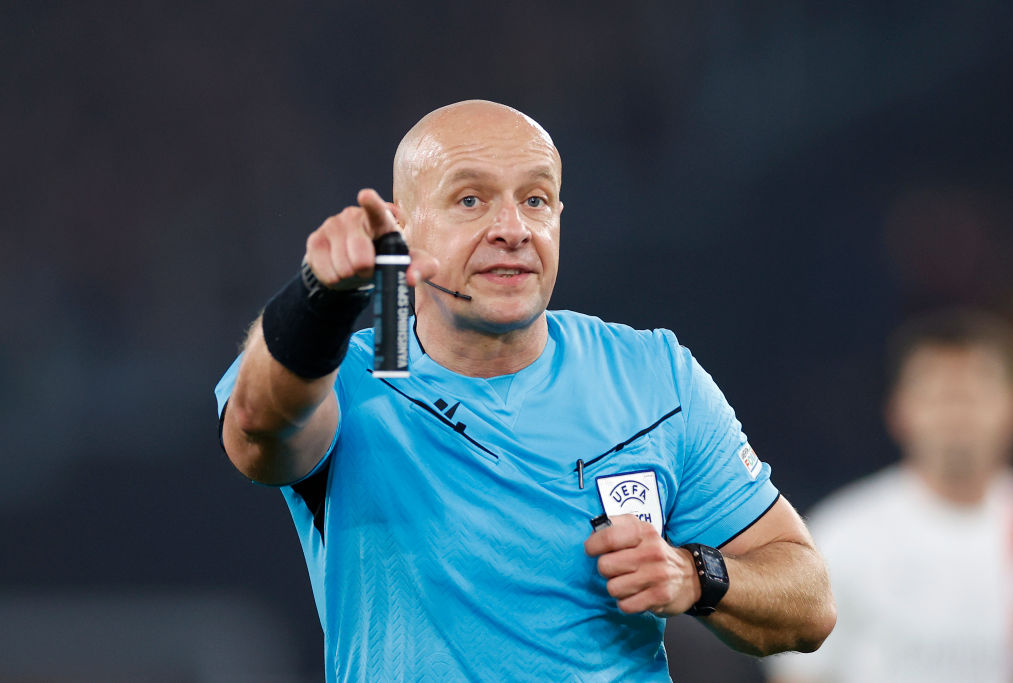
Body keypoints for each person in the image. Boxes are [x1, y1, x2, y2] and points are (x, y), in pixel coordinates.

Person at [215, 100, 835, 681]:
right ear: (403, 229)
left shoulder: (653, 375)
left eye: (535, 199)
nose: (511, 228)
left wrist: (698, 573)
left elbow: (810, 605)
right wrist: (319, 300)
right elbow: (257, 429)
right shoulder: (358, 377)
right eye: (469, 200)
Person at [765, 309, 1013, 683]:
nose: (956, 413)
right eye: (938, 395)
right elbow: (800, 674)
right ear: (898, 411)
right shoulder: (842, 535)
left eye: (972, 393)